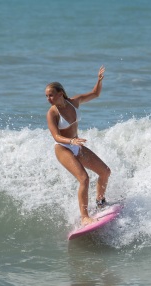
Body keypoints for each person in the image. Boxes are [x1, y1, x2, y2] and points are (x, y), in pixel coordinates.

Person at [45, 66, 111, 226]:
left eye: (51, 95)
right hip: (63, 148)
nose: (48, 98)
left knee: (105, 172)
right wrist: (71, 141)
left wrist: (99, 80)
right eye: (46, 96)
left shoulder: (74, 102)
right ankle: (84, 217)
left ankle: (101, 202)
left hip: (76, 145)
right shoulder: (52, 113)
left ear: (60, 93)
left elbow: (95, 93)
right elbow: (56, 136)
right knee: (84, 178)